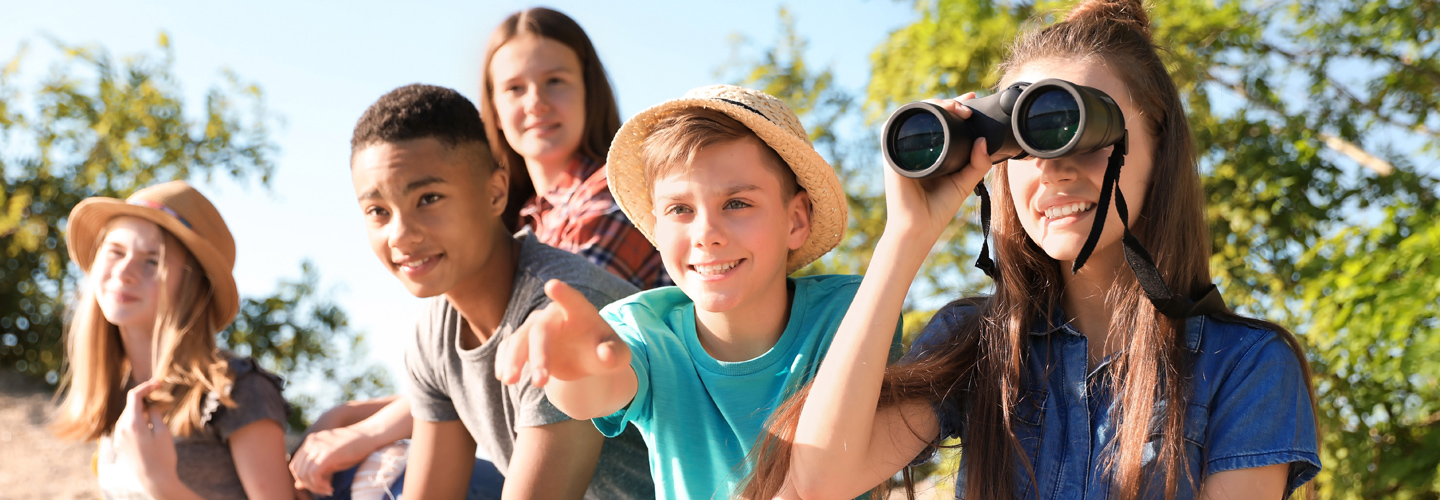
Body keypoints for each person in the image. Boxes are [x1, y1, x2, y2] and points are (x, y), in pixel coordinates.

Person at [740, 1, 1322, 499]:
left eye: (1081, 133)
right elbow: (819, 480)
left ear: (1160, 150)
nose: (1053, 171)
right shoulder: (978, 341)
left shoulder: (1246, 365)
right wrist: (905, 236)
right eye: (1023, 145)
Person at [291, 9, 667, 495]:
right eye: (378, 211)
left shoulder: (599, 227)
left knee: (381, 473)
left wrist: (364, 427)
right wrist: (351, 418)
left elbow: (551, 342)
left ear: (492, 193)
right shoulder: (502, 246)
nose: (402, 234)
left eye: (429, 199)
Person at [495, 84, 899, 500]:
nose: (705, 234)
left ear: (796, 220)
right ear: (657, 227)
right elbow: (594, 392)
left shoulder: (851, 312)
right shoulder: (642, 329)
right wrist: (575, 368)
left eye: (737, 203)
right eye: (680, 210)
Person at [51, 181, 294, 500]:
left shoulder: (238, 391)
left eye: (153, 260)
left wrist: (161, 484)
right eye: (116, 251)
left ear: (192, 288)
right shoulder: (117, 393)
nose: (124, 272)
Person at [483, 6, 669, 290]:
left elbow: (565, 318)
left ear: (589, 92)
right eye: (514, 88)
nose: (535, 103)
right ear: (495, 111)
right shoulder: (525, 218)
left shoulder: (618, 192)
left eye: (555, 81)